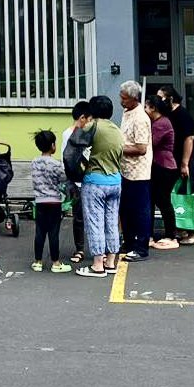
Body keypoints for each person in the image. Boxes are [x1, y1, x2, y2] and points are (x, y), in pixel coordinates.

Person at [73, 96, 124, 278]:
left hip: (95, 181)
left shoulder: (92, 126)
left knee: (95, 223)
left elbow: (74, 146)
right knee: (111, 222)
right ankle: (110, 262)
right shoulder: (117, 129)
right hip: (115, 181)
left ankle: (97, 265)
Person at [157, 85, 194, 245]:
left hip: (185, 159)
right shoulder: (167, 114)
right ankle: (181, 228)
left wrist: (185, 163)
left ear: (170, 98)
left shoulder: (182, 115)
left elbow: (189, 139)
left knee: (185, 195)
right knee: (174, 195)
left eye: (161, 97)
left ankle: (192, 232)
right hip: (172, 160)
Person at [118, 81, 153, 263]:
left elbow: (141, 148)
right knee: (126, 209)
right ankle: (129, 242)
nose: (121, 101)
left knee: (140, 210)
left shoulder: (140, 118)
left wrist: (118, 148)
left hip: (139, 172)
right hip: (125, 169)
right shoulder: (126, 112)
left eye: (124, 98)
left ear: (134, 98)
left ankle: (141, 247)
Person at [30, 130, 71, 273]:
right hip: (54, 202)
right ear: (53, 145)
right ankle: (56, 263)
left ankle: (38, 262)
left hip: (40, 202)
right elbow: (63, 178)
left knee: (40, 232)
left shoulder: (34, 162)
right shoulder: (55, 164)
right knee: (53, 232)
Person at [146, 96, 179, 250]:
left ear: (153, 108)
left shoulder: (161, 123)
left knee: (163, 200)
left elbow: (150, 142)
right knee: (154, 200)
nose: (145, 110)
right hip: (159, 165)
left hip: (164, 166)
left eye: (147, 107)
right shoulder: (158, 122)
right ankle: (150, 234)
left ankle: (171, 235)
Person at [60, 100, 91, 263]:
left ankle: (92, 248)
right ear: (82, 118)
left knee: (87, 216)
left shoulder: (87, 133)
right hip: (77, 180)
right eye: (89, 119)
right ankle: (80, 248)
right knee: (79, 216)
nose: (90, 122)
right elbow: (65, 159)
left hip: (88, 178)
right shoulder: (69, 134)